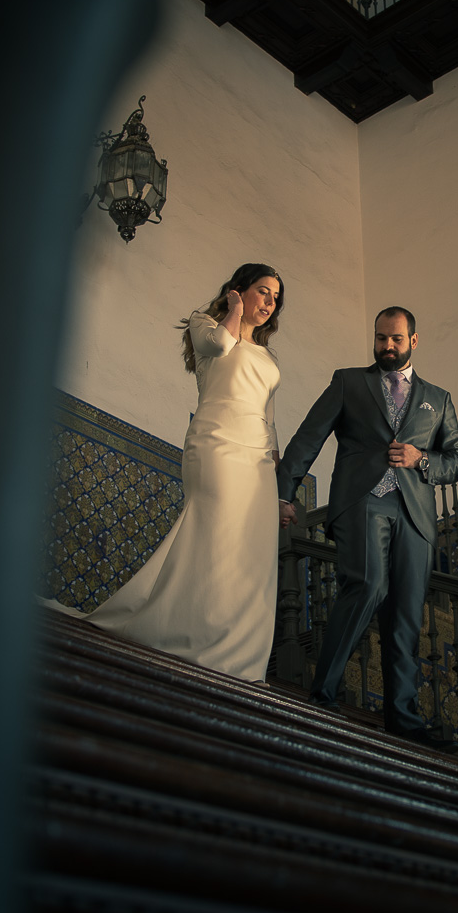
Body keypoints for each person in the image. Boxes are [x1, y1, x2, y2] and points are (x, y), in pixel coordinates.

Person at [45, 263, 286, 682]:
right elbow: (218, 346)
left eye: (275, 298)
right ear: (238, 290)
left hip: (258, 461)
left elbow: (268, 416)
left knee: (249, 549)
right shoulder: (206, 324)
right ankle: (182, 631)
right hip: (217, 445)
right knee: (215, 534)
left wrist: (280, 481)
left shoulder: (267, 356)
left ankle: (237, 653)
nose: (270, 303)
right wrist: (231, 309)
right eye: (263, 292)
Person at [276, 306, 458, 747]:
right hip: (364, 501)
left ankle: (402, 717)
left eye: (395, 339)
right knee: (368, 584)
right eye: (380, 338)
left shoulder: (438, 398)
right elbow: (309, 436)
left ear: (413, 341)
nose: (386, 346)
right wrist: (284, 492)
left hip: (415, 514)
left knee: (404, 618)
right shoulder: (348, 381)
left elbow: (457, 460)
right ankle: (323, 694)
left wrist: (423, 460)